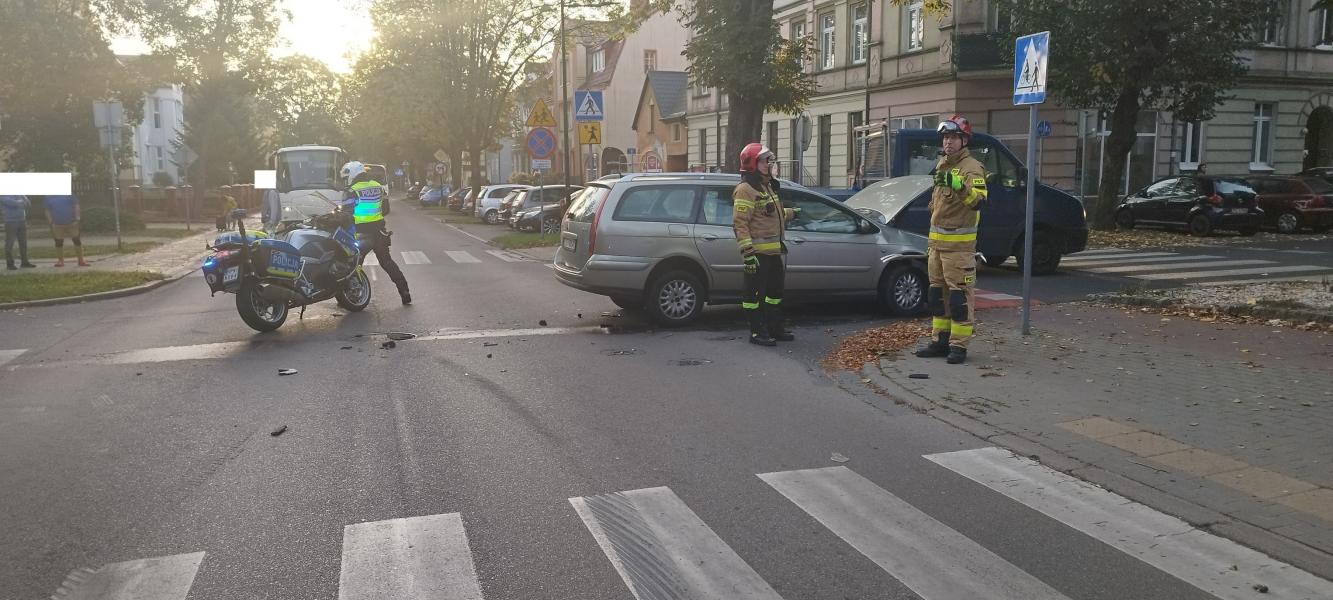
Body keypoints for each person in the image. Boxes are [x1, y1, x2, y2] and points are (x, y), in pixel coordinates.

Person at [914, 114, 989, 364]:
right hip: (936, 246)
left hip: (959, 249)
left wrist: (959, 186)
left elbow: (978, 202)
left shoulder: (972, 168)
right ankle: (940, 341)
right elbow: (938, 201)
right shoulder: (942, 165)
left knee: (959, 299)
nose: (948, 142)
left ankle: (959, 347)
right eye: (945, 137)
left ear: (964, 140)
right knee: (937, 297)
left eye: (953, 137)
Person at [733, 143, 798, 346]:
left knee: (774, 295)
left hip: (773, 253)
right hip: (758, 256)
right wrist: (748, 253)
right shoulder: (745, 190)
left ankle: (774, 328)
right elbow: (740, 223)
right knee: (753, 297)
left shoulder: (767, 186)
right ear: (752, 163)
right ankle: (756, 332)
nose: (769, 164)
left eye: (770, 160)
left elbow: (768, 214)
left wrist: (791, 213)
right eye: (764, 161)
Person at [340, 160, 411, 305]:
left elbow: (346, 215)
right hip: (379, 232)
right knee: (387, 262)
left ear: (352, 174)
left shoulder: (352, 191)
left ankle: (348, 298)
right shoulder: (378, 187)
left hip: (360, 235)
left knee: (353, 265)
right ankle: (404, 291)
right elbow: (385, 209)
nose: (345, 180)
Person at [43, 194, 89, 267]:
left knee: (77, 240)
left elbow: (76, 206)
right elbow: (47, 210)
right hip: (57, 224)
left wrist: (77, 218)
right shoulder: (48, 197)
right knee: (58, 242)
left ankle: (81, 261)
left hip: (72, 222)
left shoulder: (70, 195)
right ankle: (60, 261)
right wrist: (50, 221)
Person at [2, 194, 36, 270]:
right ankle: (10, 264)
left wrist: (21, 199)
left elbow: (28, 203)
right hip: (10, 221)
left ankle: (24, 262)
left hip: (22, 220)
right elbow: (10, 203)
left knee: (23, 243)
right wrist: (20, 202)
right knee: (9, 243)